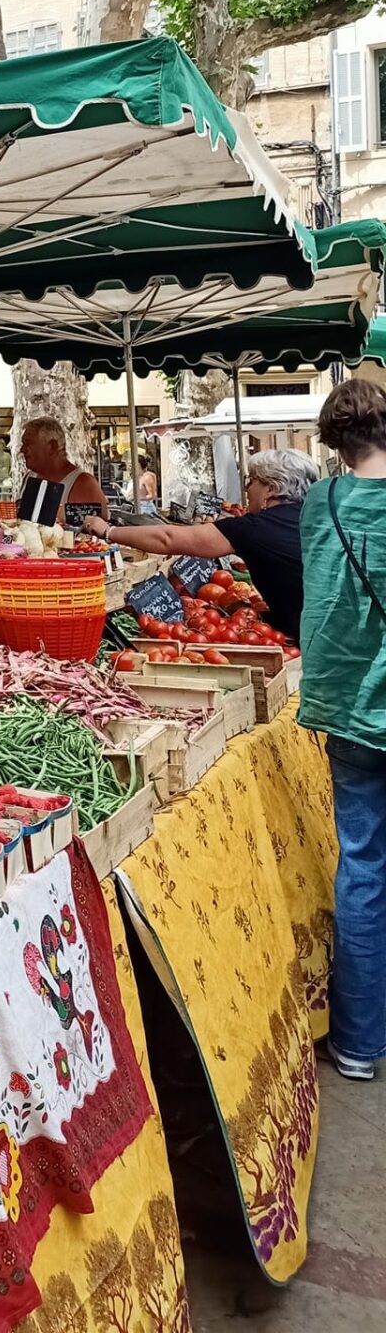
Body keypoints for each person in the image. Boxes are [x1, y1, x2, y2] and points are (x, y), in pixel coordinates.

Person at [299, 380, 386, 1079]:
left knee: (363, 868)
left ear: (333, 441)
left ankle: (358, 1044)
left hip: (353, 710)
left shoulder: (318, 503)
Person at [82, 445, 315, 641]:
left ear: (271, 489)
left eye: (251, 481)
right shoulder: (313, 516)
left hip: (313, 635)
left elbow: (167, 539)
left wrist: (108, 531)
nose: (246, 488)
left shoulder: (255, 528)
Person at [18, 417, 107, 523]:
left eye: (28, 443)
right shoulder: (29, 477)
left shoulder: (83, 483)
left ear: (52, 446)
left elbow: (99, 527)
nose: (22, 450)